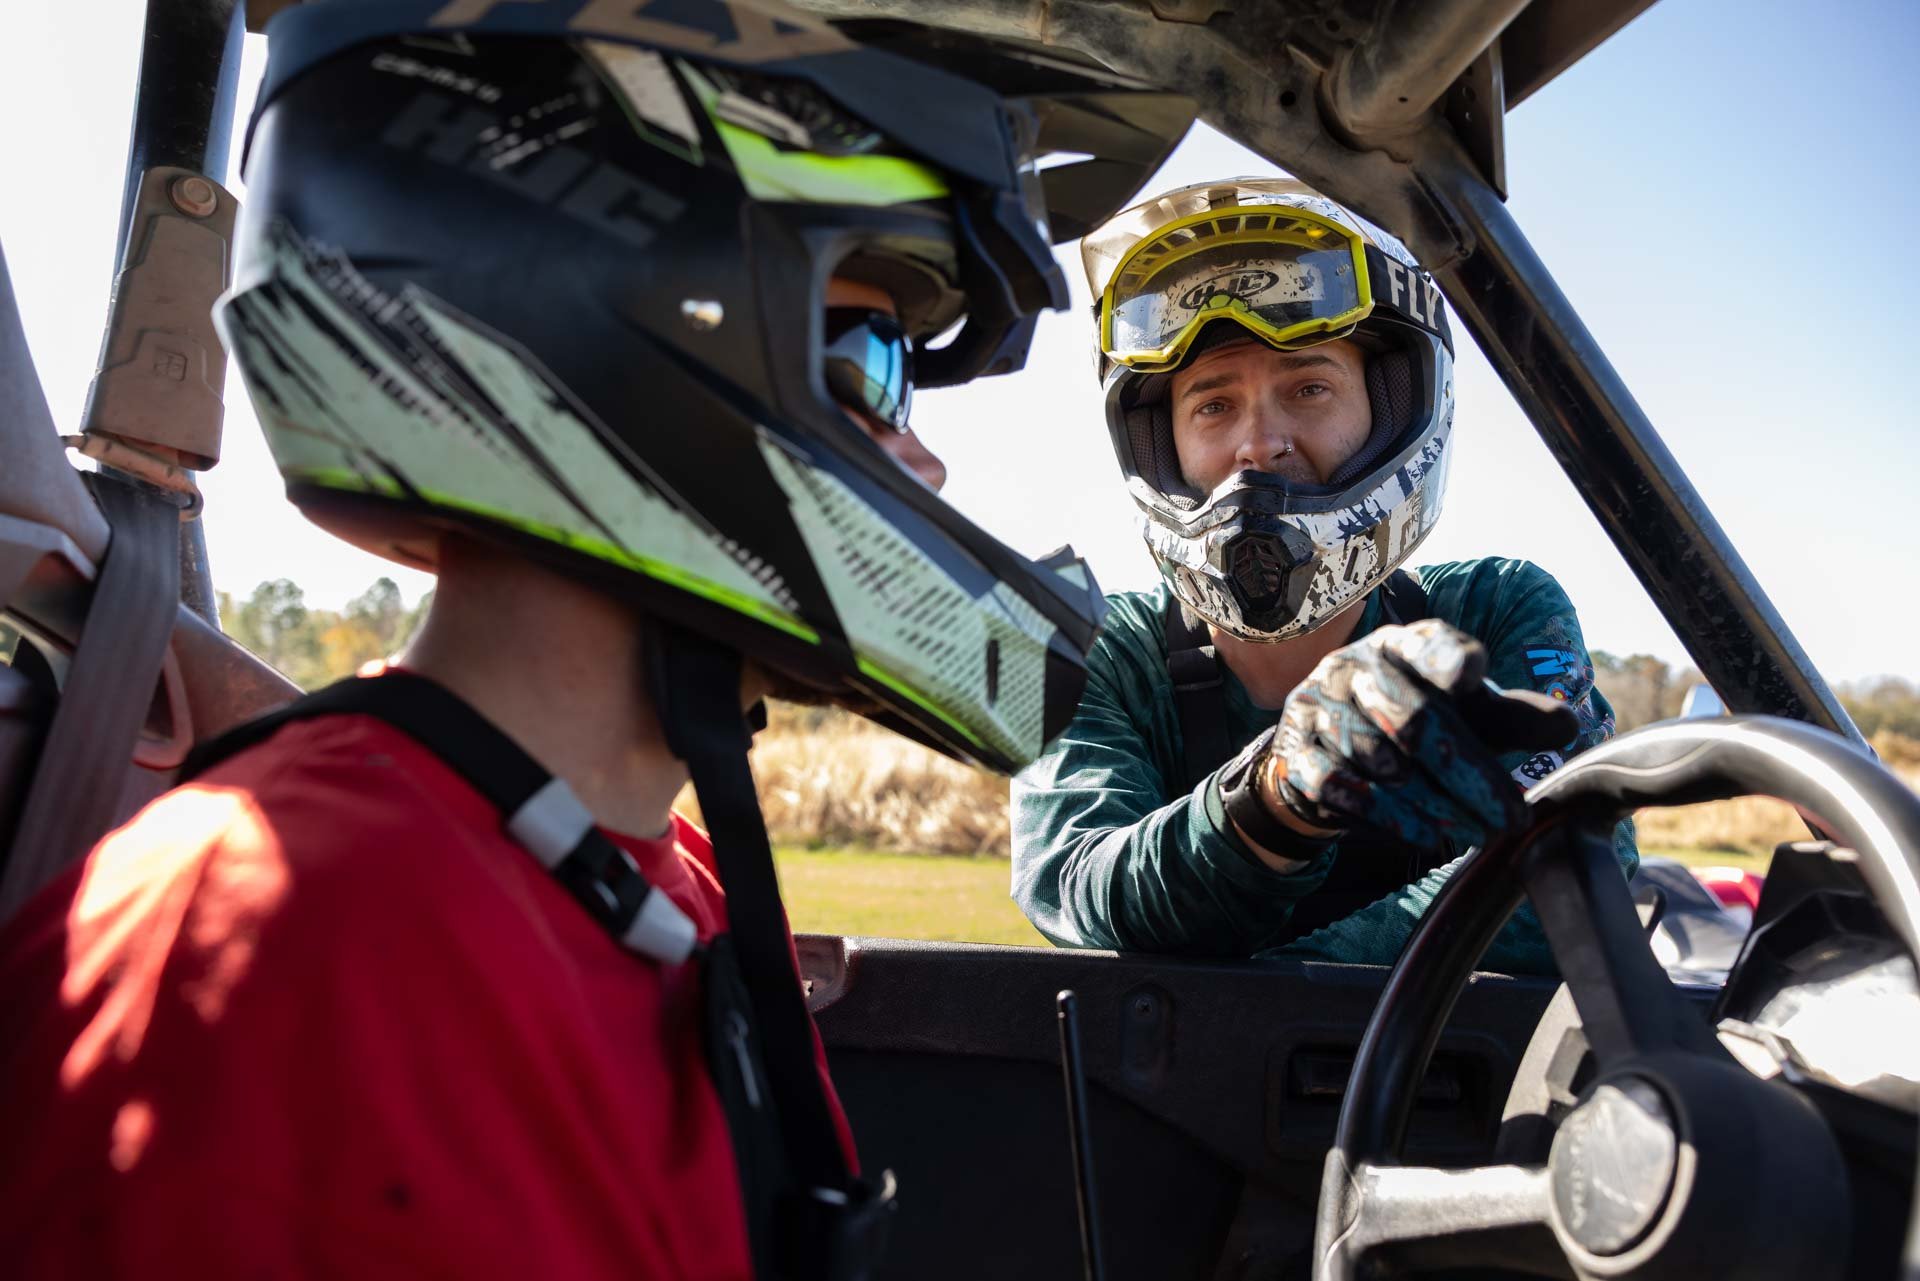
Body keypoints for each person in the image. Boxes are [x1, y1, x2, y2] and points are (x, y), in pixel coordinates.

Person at [0, 6, 1187, 1277]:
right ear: (611, 321)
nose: (925, 456)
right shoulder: (281, 949)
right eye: (873, 361)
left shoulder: (658, 879)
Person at [1011, 178, 1636, 971]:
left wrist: (1261, 994)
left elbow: (1575, 874)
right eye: (1211, 405)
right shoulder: (1092, 646)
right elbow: (1075, 882)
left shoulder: (1496, 609)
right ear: (1158, 441)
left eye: (1308, 388)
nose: (1258, 443)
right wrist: (1273, 798)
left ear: (1393, 410)